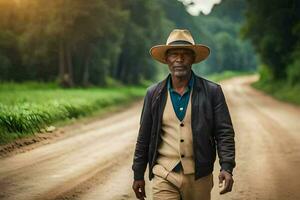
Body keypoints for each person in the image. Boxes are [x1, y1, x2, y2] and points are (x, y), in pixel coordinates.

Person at [132, 29, 236, 200]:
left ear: (193, 58)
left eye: (185, 54)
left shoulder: (212, 92)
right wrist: (138, 173)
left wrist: (226, 167)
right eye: (174, 54)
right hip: (164, 174)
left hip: (199, 176)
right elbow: (144, 136)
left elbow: (224, 133)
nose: (179, 59)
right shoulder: (154, 94)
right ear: (166, 59)